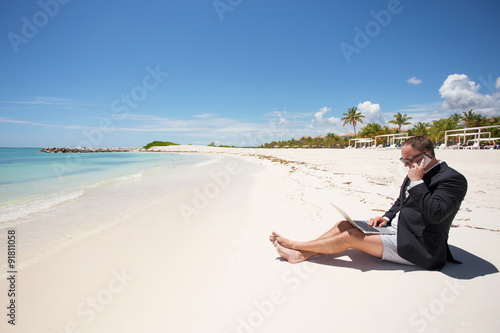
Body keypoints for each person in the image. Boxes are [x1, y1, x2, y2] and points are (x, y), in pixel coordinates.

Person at [269, 136, 468, 271]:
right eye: (403, 160)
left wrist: (417, 182)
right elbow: (401, 202)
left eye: (409, 160)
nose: (406, 165)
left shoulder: (451, 179)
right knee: (343, 225)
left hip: (420, 245)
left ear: (427, 156)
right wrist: (386, 217)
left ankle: (297, 247)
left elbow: (436, 214)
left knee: (351, 236)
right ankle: (301, 254)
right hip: (396, 229)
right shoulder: (417, 172)